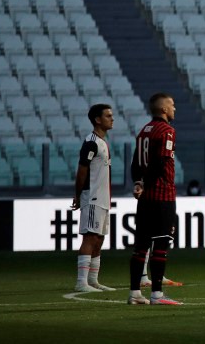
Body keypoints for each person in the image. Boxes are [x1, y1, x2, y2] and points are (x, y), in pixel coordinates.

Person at [128, 93, 181, 305]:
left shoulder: (144, 131)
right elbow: (160, 163)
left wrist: (138, 183)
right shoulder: (167, 131)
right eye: (172, 104)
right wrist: (148, 182)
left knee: (141, 246)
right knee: (161, 244)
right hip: (162, 195)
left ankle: (134, 294)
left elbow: (135, 162)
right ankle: (157, 294)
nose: (175, 109)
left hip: (145, 199)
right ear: (163, 110)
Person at [72, 103, 115, 292]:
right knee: (89, 238)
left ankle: (93, 280)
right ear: (97, 119)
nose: (112, 119)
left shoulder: (102, 142)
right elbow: (82, 170)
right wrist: (78, 194)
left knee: (99, 239)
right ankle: (81, 282)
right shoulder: (91, 142)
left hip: (103, 198)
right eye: (108, 116)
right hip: (93, 197)